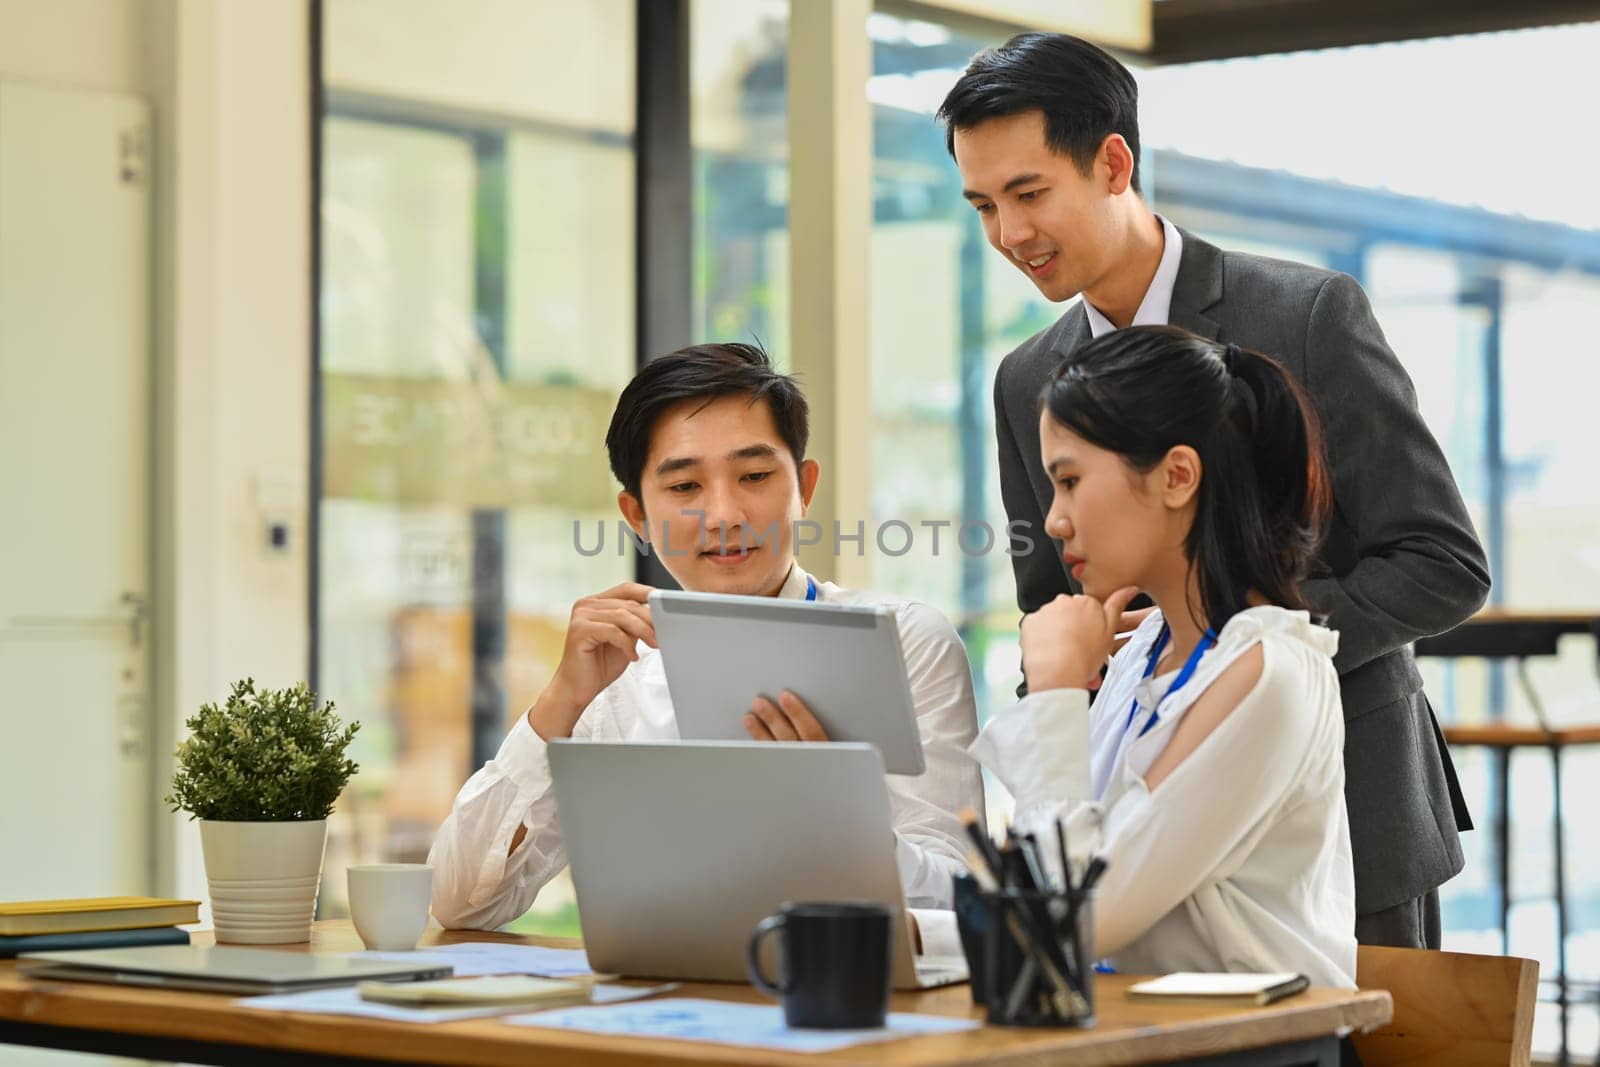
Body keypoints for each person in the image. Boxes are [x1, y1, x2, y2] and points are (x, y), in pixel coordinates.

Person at [939, 33, 1489, 949]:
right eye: (983, 205)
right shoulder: (1024, 379)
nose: (1009, 235)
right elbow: (1056, 605)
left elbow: (1443, 562)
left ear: (1114, 161)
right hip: (1135, 838)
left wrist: (1239, 643)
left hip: (1353, 816)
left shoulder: (1305, 316)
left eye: (1030, 194)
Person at [429, 342, 985, 930]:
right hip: (653, 1009)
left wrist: (828, 812)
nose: (723, 514)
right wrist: (557, 706)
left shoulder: (904, 643)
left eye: (754, 475)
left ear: (805, 487)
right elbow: (461, 903)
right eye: (685, 487)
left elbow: (957, 903)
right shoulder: (618, 682)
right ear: (636, 515)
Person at [972, 325, 1355, 986]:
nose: (1055, 519)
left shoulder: (1270, 672)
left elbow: (1070, 919)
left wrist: (1057, 691)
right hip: (1143, 1034)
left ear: (1177, 475)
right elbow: (1047, 891)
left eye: (1070, 481)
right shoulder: (1145, 652)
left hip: (1253, 1050)